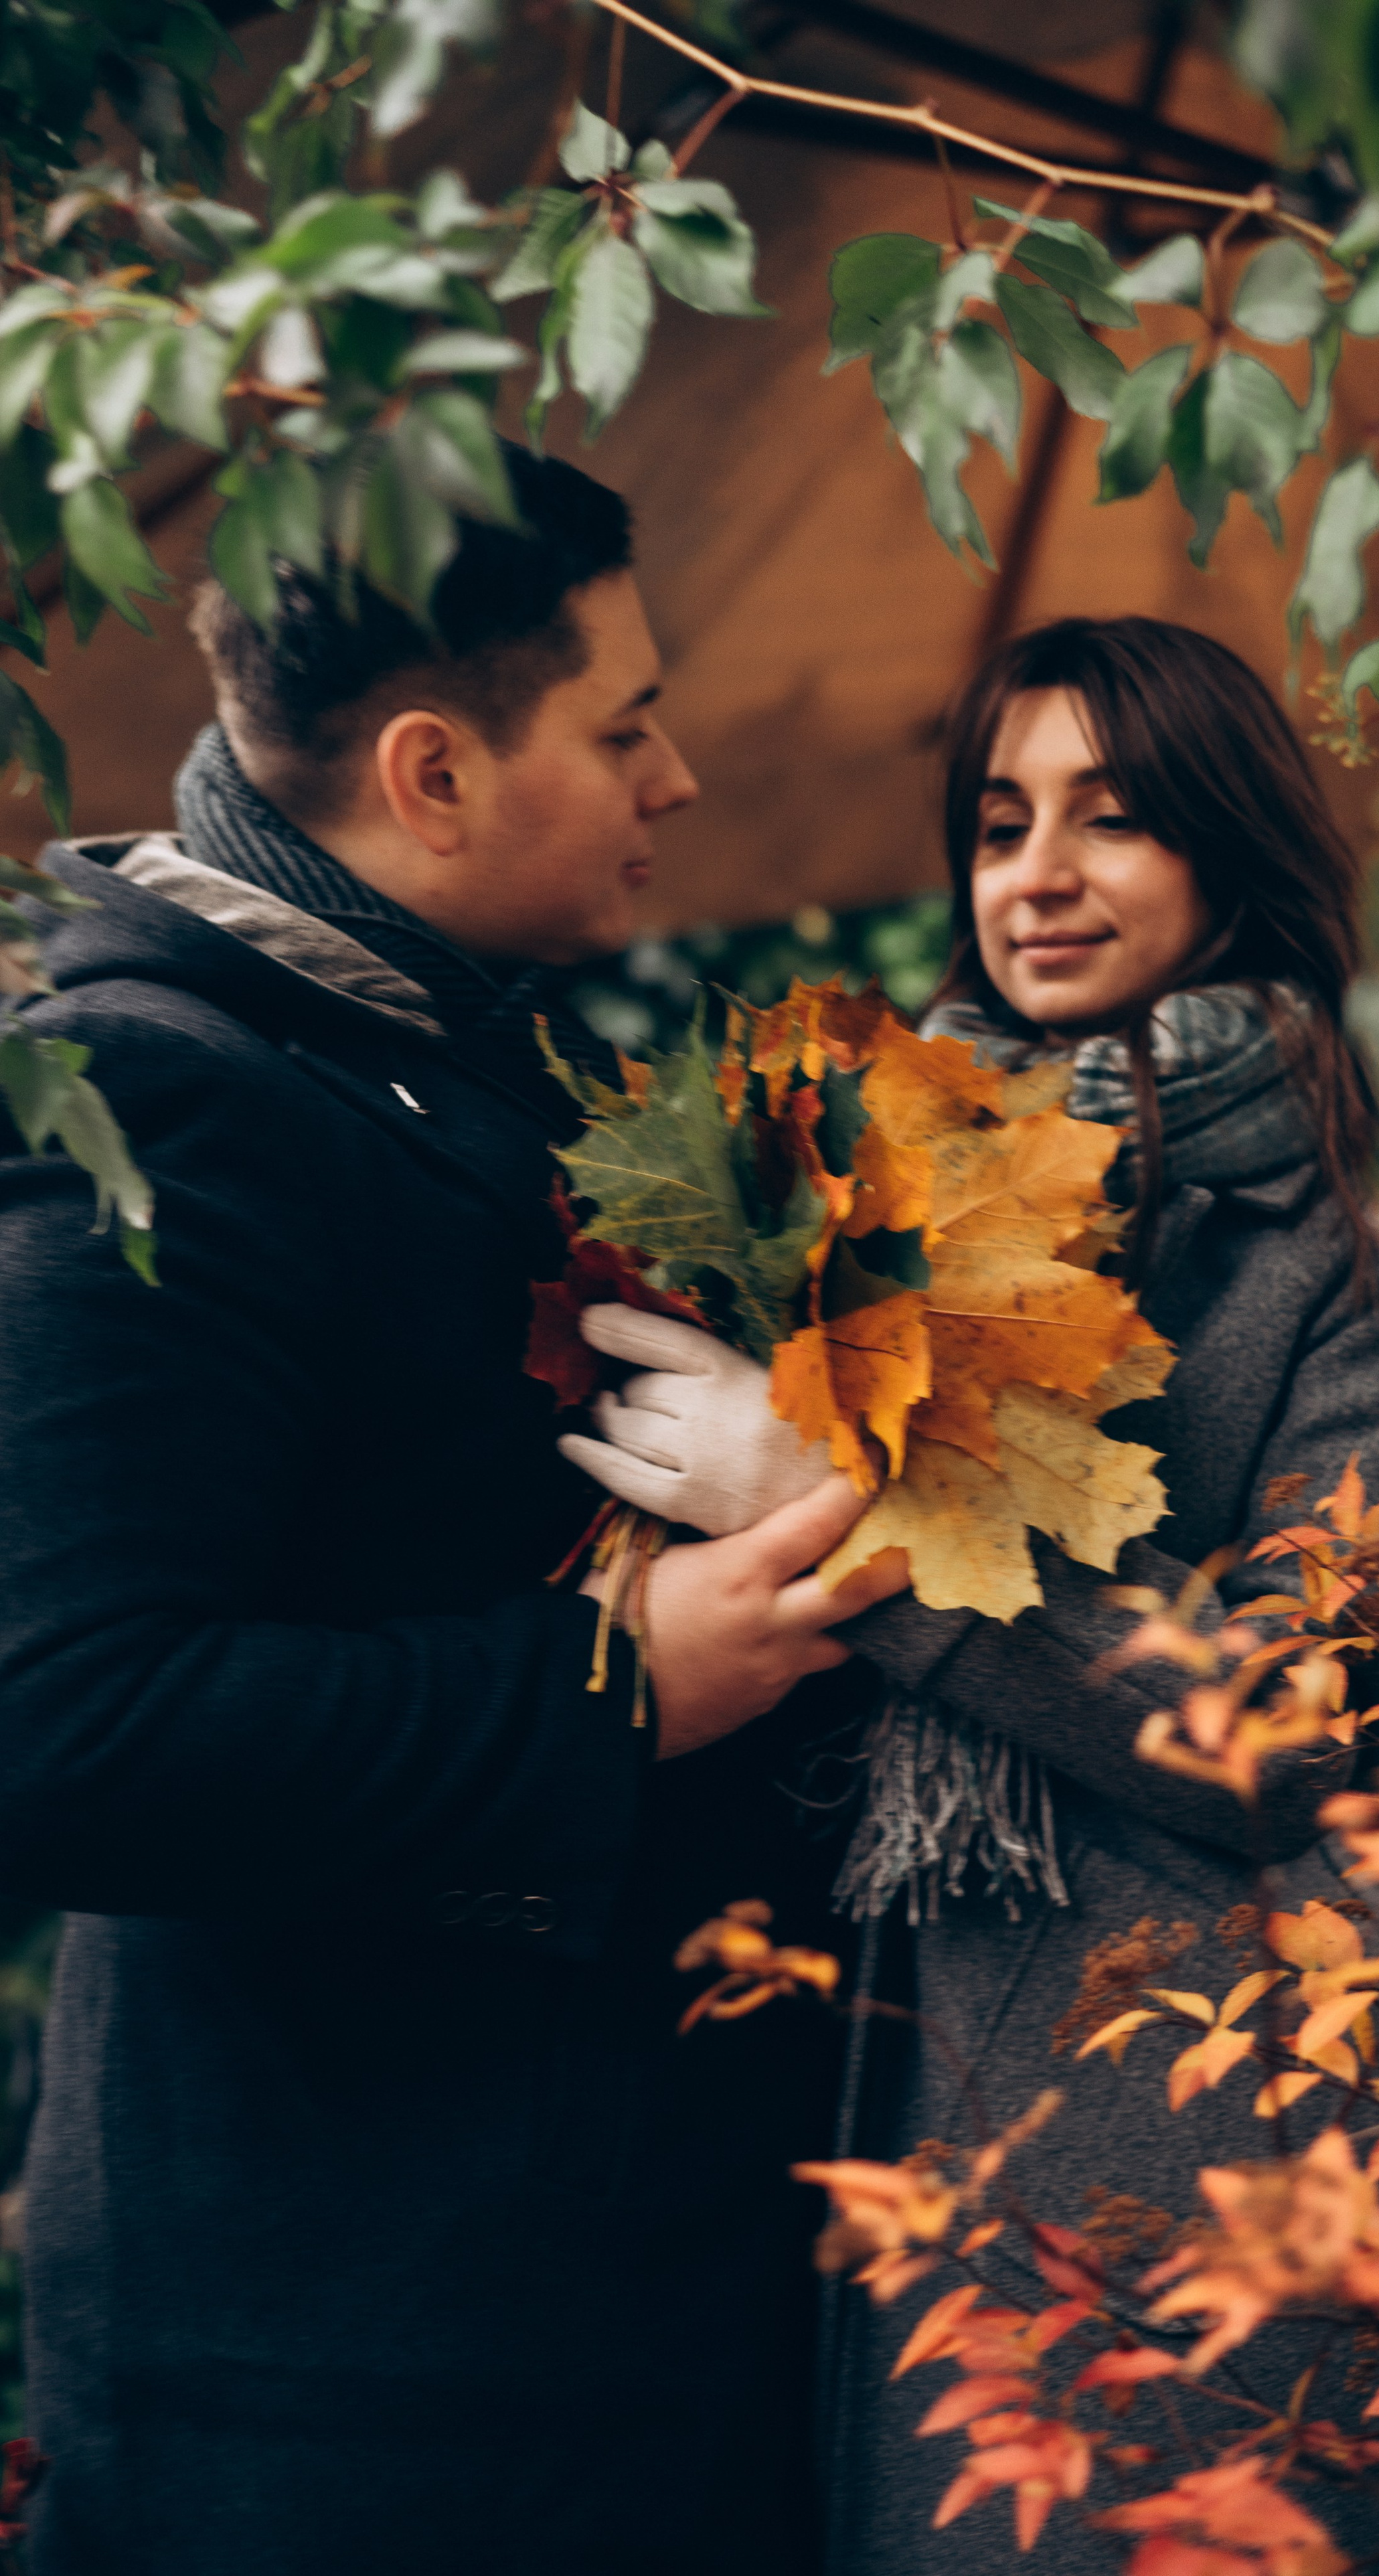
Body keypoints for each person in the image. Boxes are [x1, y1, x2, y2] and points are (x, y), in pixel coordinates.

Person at [0, 442, 903, 2576]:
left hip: (565, 2330)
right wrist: (611, 1690)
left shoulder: (422, 1050)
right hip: (356, 2398)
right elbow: (55, 1729)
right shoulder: (143, 1105)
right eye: (623, 725)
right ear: (432, 773)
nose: (674, 776)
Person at [570, 615, 1379, 2572]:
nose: (1039, 875)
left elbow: (1312, 1724)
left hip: (1179, 2125)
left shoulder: (1360, 1217)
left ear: (1230, 849)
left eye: (1116, 817)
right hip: (855, 2091)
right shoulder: (868, 1185)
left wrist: (857, 1514)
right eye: (1000, 822)